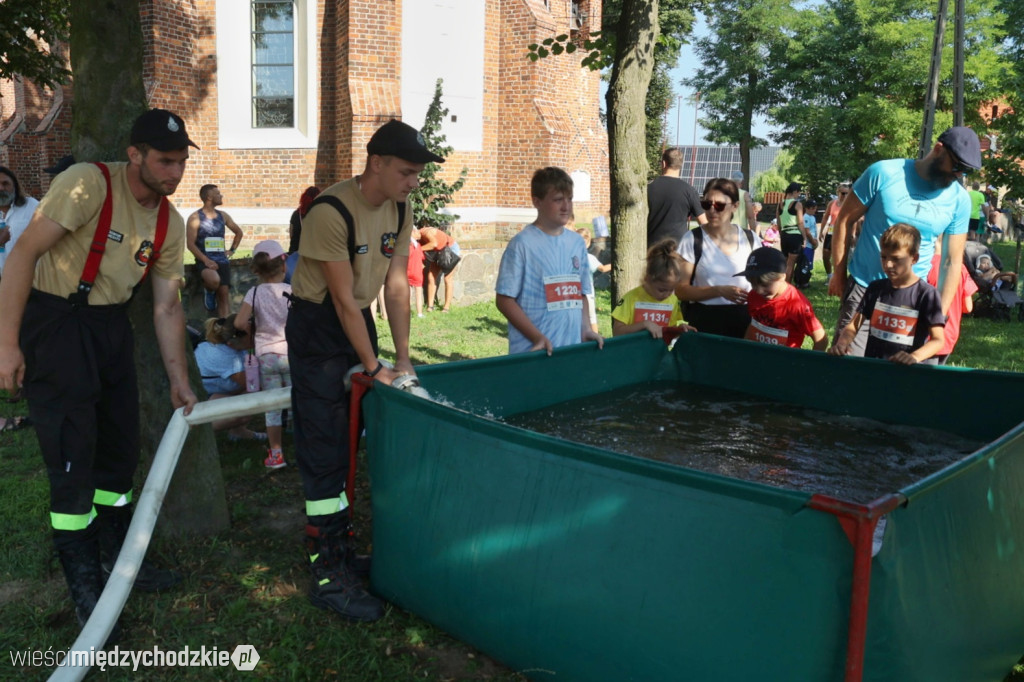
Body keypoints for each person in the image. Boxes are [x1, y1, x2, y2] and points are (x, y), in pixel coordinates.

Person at [0, 108, 199, 635]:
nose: (175, 173)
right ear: (135, 154)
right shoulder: (88, 183)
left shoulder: (169, 222)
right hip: (56, 323)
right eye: (164, 160)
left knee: (118, 450)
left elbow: (166, 308)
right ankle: (85, 586)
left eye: (181, 162)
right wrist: (6, 347)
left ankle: (118, 562)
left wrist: (180, 379)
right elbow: (22, 255)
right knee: (72, 456)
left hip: (109, 329)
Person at [285, 118, 437, 622]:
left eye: (418, 173)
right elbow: (343, 301)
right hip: (318, 329)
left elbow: (395, 286)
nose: (414, 181)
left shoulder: (399, 206)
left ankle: (345, 553)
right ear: (376, 163)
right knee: (326, 445)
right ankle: (328, 572)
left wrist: (402, 359)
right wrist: (373, 367)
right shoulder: (329, 212)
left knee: (356, 437)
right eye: (407, 171)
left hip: (358, 323)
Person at [828, 126, 980, 356]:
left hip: (912, 299)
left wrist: (940, 313)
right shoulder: (883, 172)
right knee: (846, 361)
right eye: (957, 167)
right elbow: (844, 221)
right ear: (938, 149)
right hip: (864, 287)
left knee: (899, 373)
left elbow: (951, 260)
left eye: (965, 172)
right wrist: (838, 275)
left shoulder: (959, 200)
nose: (959, 175)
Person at [495, 166, 604, 355]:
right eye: (558, 200)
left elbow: (582, 293)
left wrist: (586, 328)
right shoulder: (522, 245)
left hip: (570, 350)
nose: (566, 207)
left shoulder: (577, 242)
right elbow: (504, 300)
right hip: (534, 352)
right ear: (537, 201)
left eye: (569, 199)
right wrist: (537, 337)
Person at [830, 224, 945, 365]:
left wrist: (914, 356)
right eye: (884, 257)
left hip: (907, 376)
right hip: (875, 372)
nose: (888, 264)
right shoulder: (875, 288)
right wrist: (842, 343)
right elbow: (853, 326)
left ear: (914, 258)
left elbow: (938, 340)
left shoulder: (926, 294)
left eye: (896, 259)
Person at [675, 177, 760, 338]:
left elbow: (765, 282)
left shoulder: (750, 239)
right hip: (705, 322)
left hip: (746, 322)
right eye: (706, 204)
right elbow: (681, 290)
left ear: (735, 206)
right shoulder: (693, 239)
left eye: (719, 205)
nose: (712, 210)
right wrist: (718, 291)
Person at [233, 240, 292, 468]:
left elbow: (239, 322)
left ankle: (276, 453)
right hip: (290, 354)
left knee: (272, 406)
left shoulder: (254, 293)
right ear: (283, 266)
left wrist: (250, 325)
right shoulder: (290, 291)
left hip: (266, 357)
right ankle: (304, 444)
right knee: (295, 398)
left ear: (258, 269)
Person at [735, 247, 827, 350]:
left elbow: (821, 339)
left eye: (765, 284)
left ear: (782, 276)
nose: (759, 290)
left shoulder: (797, 304)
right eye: (753, 284)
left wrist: (808, 364)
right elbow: (754, 323)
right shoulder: (753, 295)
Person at [195, 315, 267, 441]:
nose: (258, 336)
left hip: (214, 393)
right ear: (231, 343)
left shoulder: (232, 345)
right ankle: (195, 430)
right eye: (252, 335)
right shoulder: (222, 356)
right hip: (199, 400)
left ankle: (238, 432)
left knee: (252, 394)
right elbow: (251, 384)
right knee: (248, 405)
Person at [611, 238, 694, 339]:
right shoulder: (631, 298)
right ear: (647, 278)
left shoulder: (672, 300)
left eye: (671, 290)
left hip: (659, 353)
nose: (667, 294)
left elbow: (669, 332)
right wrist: (644, 324)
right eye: (662, 290)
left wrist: (679, 329)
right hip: (633, 352)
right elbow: (617, 332)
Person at [186, 184, 244, 316]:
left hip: (222, 261)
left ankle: (224, 329)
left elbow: (238, 233)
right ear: (209, 197)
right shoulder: (195, 218)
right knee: (214, 280)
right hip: (205, 261)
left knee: (224, 299)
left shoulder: (223, 216)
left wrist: (232, 251)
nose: (221, 195)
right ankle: (210, 291)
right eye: (218, 193)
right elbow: (190, 244)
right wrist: (205, 260)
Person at [927, 240, 976, 365]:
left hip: (926, 336)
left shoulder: (924, 265)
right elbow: (968, 307)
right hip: (949, 335)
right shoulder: (960, 267)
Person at [646, 147, 707, 248]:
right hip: (679, 248)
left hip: (652, 247)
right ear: (680, 165)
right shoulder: (689, 191)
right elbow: (704, 223)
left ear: (664, 163)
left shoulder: (648, 188)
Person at [0, 166, 40, 277]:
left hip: (30, 280)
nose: (1, 188)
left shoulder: (32, 206)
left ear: (15, 186)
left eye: (5, 183)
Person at [777, 182, 817, 283]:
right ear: (795, 192)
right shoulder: (797, 204)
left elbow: (778, 221)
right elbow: (800, 222)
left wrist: (781, 233)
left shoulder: (780, 204)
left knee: (785, 263)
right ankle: (787, 287)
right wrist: (804, 238)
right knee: (791, 264)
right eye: (798, 193)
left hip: (784, 235)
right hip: (794, 235)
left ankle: (780, 285)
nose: (799, 195)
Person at [576, 226, 611, 333]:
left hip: (574, 292)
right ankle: (596, 337)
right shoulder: (589, 258)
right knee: (591, 317)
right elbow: (602, 268)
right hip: (587, 293)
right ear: (588, 243)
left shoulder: (571, 257)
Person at [419, 226, 460, 312]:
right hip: (437, 251)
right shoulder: (416, 240)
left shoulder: (426, 232)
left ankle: (446, 307)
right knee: (431, 276)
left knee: (447, 278)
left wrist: (418, 250)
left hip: (450, 248)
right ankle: (430, 306)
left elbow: (433, 243)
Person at [287, 186, 321, 282]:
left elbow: (291, 234)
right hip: (313, 256)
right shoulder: (320, 215)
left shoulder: (296, 215)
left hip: (294, 254)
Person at [819, 182, 852, 281]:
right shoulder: (832, 203)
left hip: (843, 231)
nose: (845, 196)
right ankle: (830, 276)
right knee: (825, 255)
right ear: (838, 192)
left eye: (847, 193)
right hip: (831, 230)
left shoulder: (849, 204)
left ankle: (840, 278)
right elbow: (825, 218)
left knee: (839, 256)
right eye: (843, 193)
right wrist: (821, 231)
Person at [730, 170, 759, 236]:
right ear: (742, 181)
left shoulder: (724, 193)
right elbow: (750, 216)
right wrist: (754, 233)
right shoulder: (745, 194)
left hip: (726, 229)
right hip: (741, 231)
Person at [408, 227, 426, 318]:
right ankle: (419, 313)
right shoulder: (417, 245)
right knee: (419, 293)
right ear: (412, 232)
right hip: (417, 272)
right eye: (417, 232)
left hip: (408, 271)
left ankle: (408, 313)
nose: (419, 234)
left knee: (408, 294)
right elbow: (422, 257)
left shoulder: (407, 245)